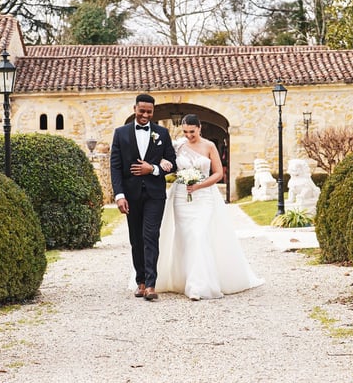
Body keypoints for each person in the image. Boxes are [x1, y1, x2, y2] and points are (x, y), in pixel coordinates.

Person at [155, 114, 263, 300]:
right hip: (181, 196)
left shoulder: (209, 146)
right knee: (185, 237)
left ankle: (198, 285)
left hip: (204, 196)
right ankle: (183, 279)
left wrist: (199, 185)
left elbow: (218, 173)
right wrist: (163, 162)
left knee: (199, 234)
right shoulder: (178, 145)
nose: (189, 135)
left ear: (199, 128)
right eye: (186, 132)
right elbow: (168, 163)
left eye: (192, 132)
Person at [110, 93, 177, 301]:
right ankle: (139, 280)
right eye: (142, 111)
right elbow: (116, 166)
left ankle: (150, 284)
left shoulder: (162, 133)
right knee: (136, 239)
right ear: (135, 109)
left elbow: (172, 163)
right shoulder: (120, 134)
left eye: (149, 112)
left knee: (150, 236)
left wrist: (154, 169)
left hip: (155, 195)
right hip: (130, 195)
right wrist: (119, 195)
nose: (145, 115)